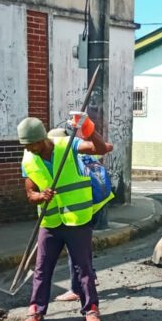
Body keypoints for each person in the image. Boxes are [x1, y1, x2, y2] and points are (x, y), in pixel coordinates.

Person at [18, 116, 111, 321]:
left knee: (84, 268)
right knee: (42, 268)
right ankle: (36, 309)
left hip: (77, 220)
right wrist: (40, 196)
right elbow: (30, 193)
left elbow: (101, 148)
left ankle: (91, 309)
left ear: (41, 139)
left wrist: (88, 128)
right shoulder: (28, 159)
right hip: (50, 222)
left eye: (30, 144)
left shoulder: (67, 144)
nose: (28, 149)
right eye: (25, 145)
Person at [46, 127, 113, 303]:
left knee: (75, 251)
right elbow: (106, 147)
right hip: (98, 204)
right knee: (83, 249)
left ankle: (76, 289)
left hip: (82, 208)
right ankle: (92, 276)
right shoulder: (86, 154)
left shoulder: (69, 158)